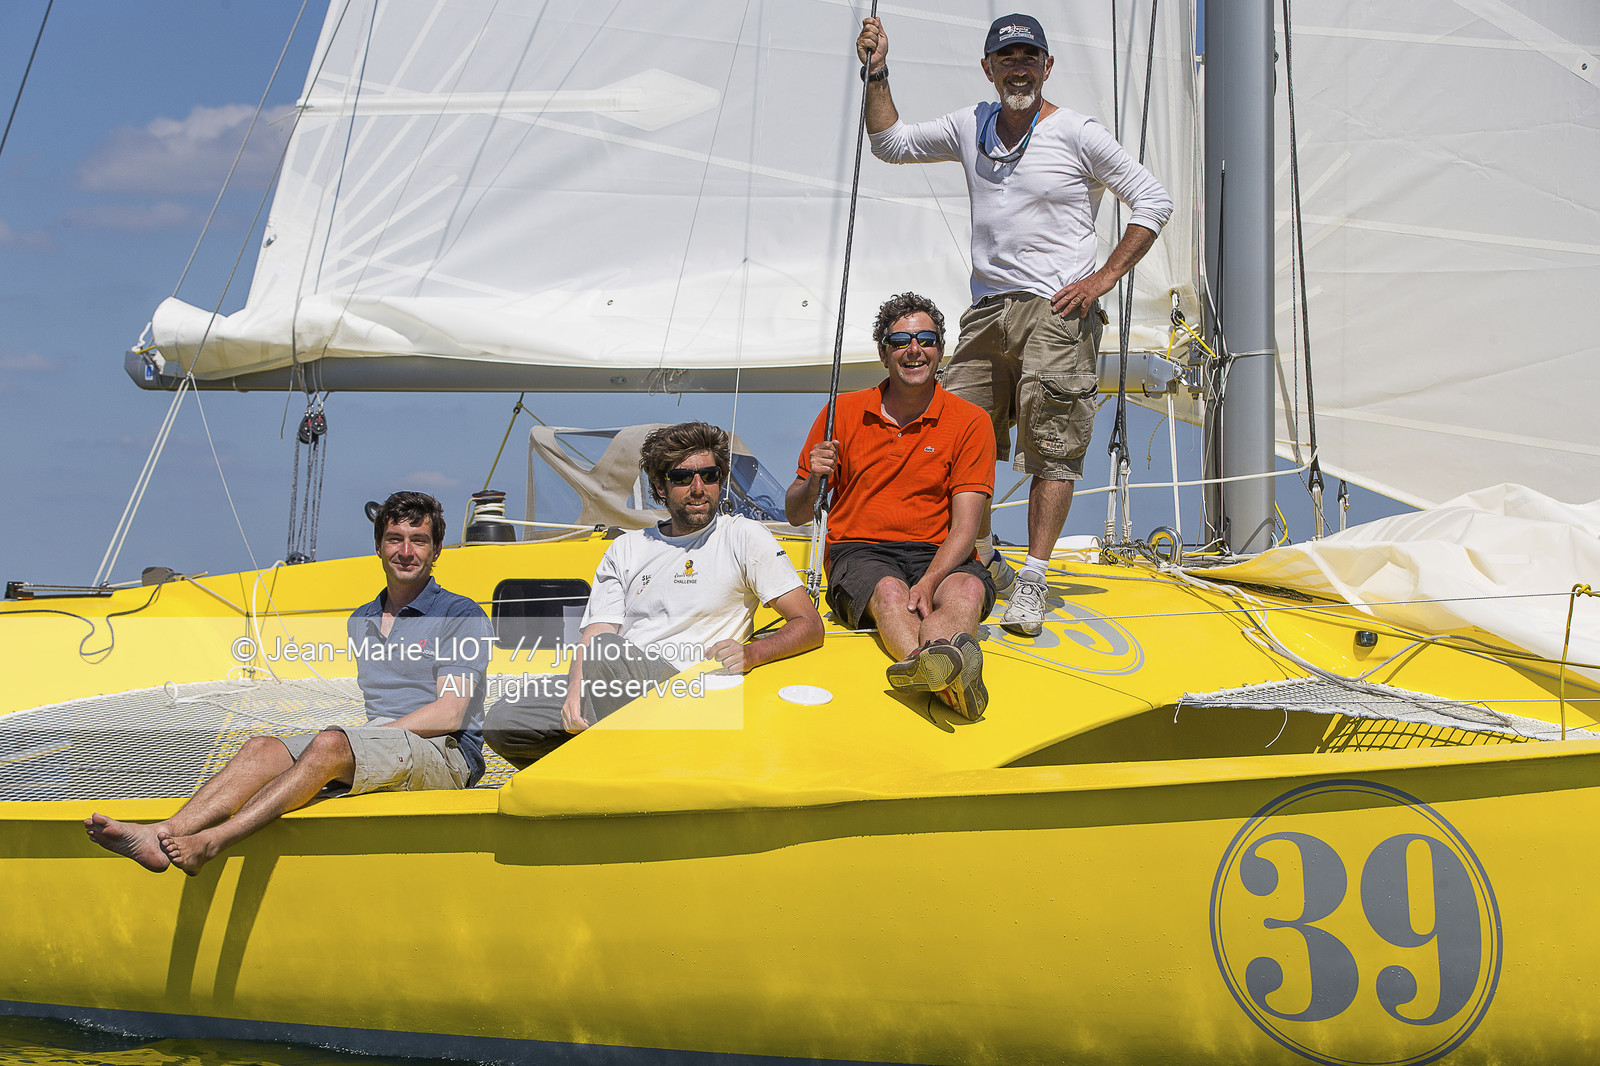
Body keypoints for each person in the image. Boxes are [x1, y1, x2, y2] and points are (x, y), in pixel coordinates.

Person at [857, 13, 1173, 636]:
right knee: (952, 436)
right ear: (989, 68)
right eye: (1008, 58)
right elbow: (889, 143)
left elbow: (1153, 200)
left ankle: (1033, 575)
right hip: (986, 311)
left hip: (1059, 308)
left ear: (1047, 67)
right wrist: (877, 71)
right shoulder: (970, 123)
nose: (1020, 67)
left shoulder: (1078, 133)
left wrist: (1102, 278)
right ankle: (975, 559)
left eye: (1031, 57)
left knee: (1052, 442)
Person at [85, 491, 493, 875]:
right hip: (383, 741)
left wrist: (361, 740)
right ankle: (162, 833)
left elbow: (450, 710)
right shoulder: (361, 619)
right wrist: (362, 740)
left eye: (419, 541)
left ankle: (213, 841)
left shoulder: (460, 613)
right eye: (395, 539)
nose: (406, 552)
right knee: (259, 748)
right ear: (379, 546)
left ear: (437, 550)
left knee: (331, 743)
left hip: (447, 753)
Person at [485, 422, 824, 767]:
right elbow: (595, 635)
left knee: (606, 655)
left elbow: (809, 624)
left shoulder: (744, 536)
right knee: (503, 720)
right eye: (682, 478)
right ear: (659, 487)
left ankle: (618, 771)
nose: (698, 488)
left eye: (709, 475)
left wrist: (753, 653)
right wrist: (574, 692)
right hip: (617, 680)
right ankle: (595, 775)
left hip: (690, 683)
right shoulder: (626, 548)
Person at [787, 293, 995, 720]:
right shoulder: (840, 411)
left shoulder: (972, 421)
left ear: (940, 350)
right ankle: (946, 678)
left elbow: (966, 529)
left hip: (941, 552)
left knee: (968, 588)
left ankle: (934, 668)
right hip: (861, 551)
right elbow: (796, 513)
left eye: (926, 339)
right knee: (889, 592)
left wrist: (932, 579)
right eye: (900, 340)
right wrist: (813, 480)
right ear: (883, 353)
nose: (914, 349)